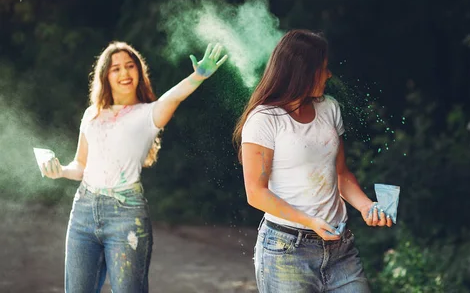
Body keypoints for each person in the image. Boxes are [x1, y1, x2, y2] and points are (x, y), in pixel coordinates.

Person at [41, 41, 227, 293]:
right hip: (83, 213)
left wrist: (198, 76)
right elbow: (80, 164)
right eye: (116, 68)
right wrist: (60, 170)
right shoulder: (91, 115)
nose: (124, 73)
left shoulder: (149, 114)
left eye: (130, 66)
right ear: (105, 75)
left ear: (139, 72)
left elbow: (173, 97)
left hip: (126, 216)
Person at [233, 29, 392, 293]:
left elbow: (341, 174)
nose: (329, 75)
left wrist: (365, 206)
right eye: (324, 68)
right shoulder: (263, 120)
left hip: (340, 250)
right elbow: (256, 193)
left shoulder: (330, 108)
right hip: (286, 252)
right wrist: (309, 221)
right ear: (302, 71)